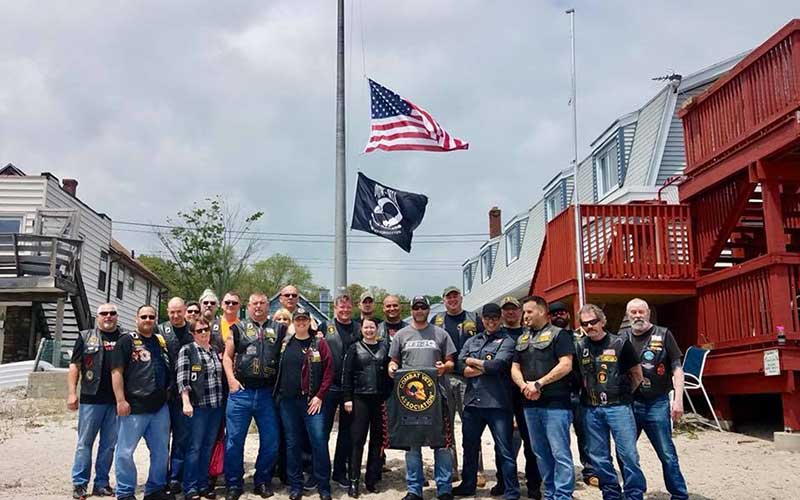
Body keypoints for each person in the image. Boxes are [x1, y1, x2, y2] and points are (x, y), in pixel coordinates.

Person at [618, 298, 688, 500]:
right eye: (633, 312)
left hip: (657, 402)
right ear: (627, 314)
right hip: (629, 403)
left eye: (641, 311)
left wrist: (678, 400)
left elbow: (677, 368)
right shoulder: (621, 337)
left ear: (648, 313)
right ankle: (633, 493)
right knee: (626, 453)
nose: (637, 316)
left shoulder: (663, 334)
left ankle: (679, 495)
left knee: (666, 453)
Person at [388, 295, 456, 500]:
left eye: (423, 307)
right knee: (412, 444)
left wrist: (445, 367)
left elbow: (451, 361)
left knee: (442, 444)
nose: (419, 311)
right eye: (416, 307)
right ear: (411, 310)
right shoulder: (401, 334)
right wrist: (392, 368)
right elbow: (393, 360)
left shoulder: (441, 333)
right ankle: (414, 490)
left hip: (437, 397)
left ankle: (444, 489)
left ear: (428, 310)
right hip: (410, 400)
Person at [576, 304, 646, 500]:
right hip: (591, 409)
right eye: (585, 323)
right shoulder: (579, 347)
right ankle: (611, 493)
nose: (590, 326)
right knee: (599, 457)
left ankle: (633, 494)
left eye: (593, 322)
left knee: (629, 455)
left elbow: (637, 375)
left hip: (619, 408)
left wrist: (623, 396)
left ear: (603, 321)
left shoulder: (620, 343)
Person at [222, 292, 286, 499]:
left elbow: (301, 334)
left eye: (262, 303)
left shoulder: (279, 329)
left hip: (267, 393)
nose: (258, 306)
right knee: (234, 440)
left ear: (269, 306)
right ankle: (234, 484)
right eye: (254, 303)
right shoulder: (238, 328)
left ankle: (262, 480)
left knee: (271, 440)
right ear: (248, 307)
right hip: (241, 392)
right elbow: (227, 357)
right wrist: (231, 381)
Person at [452, 303, 519, 500]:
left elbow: (498, 366)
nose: (491, 321)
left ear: (500, 319)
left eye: (494, 318)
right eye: (487, 318)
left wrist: (473, 362)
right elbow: (459, 364)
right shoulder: (473, 340)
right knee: (469, 446)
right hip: (473, 403)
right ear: (482, 319)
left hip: (498, 403)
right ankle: (468, 484)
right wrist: (483, 366)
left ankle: (510, 489)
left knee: (504, 449)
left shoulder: (507, 341)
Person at [511, 296, 574, 500]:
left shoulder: (559, 335)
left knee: (560, 452)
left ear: (541, 311)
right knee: (540, 452)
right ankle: (550, 493)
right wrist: (524, 387)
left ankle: (563, 495)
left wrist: (539, 384)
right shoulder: (522, 338)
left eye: (529, 312)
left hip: (556, 404)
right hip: (529, 404)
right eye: (524, 312)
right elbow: (515, 367)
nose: (525, 316)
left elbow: (566, 365)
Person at [111, 304, 173, 500]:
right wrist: (121, 400)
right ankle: (125, 492)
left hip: (159, 408)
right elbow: (116, 372)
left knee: (161, 451)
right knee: (124, 452)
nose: (148, 320)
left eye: (151, 317)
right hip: (133, 408)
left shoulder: (159, 341)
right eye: (144, 317)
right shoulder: (126, 341)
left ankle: (155, 490)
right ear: (137, 319)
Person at [275, 307, 335, 500]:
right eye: (298, 319)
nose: (301, 323)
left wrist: (320, 395)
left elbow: (328, 371)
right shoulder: (285, 342)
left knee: (318, 442)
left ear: (309, 322)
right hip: (288, 402)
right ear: (293, 322)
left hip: (312, 402)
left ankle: (324, 486)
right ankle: (295, 485)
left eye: (304, 320)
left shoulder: (319, 342)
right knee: (292, 444)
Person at [68, 303, 123, 500]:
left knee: (109, 445)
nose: (108, 316)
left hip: (116, 402)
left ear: (117, 316)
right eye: (104, 313)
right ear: (97, 316)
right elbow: (75, 365)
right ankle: (80, 484)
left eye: (112, 313)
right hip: (91, 399)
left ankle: (102, 483)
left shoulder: (125, 337)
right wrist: (72, 393)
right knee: (85, 443)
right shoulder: (84, 337)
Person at [431, 286, 484, 484]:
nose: (452, 300)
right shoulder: (436, 321)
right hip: (443, 378)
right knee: (446, 426)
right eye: (448, 297)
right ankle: (451, 469)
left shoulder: (474, 318)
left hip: (468, 378)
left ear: (461, 298)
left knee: (471, 425)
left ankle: (476, 470)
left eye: (455, 296)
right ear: (443, 300)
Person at [494, 295, 542, 499]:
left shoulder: (529, 333)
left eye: (514, 308)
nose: (510, 312)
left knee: (531, 443)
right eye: (506, 309)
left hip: (525, 394)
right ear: (502, 313)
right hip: (502, 395)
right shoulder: (496, 334)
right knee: (503, 443)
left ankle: (533, 484)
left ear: (520, 311)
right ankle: (503, 481)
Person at [548, 300, 597, 487]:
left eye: (562, 312)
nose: (558, 316)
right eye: (554, 313)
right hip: (555, 393)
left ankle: (591, 470)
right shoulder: (547, 337)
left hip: (579, 393)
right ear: (549, 317)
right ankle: (558, 473)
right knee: (558, 438)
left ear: (568, 315)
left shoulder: (581, 337)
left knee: (585, 435)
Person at [176, 318, 225, 500]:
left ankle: (203, 484)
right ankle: (190, 487)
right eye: (199, 330)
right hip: (198, 407)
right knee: (194, 447)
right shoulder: (187, 351)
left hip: (215, 406)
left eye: (206, 329)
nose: (204, 332)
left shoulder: (214, 351)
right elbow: (183, 380)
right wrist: (186, 402)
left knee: (207, 447)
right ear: (192, 333)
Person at [318, 294, 361, 488]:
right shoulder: (324, 327)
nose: (345, 310)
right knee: (322, 432)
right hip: (328, 386)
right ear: (335, 308)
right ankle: (319, 471)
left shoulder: (359, 328)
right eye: (341, 307)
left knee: (347, 432)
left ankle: (340, 472)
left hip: (350, 388)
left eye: (348, 307)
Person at [158, 297, 193, 495]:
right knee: (161, 439)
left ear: (185, 310)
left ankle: (175, 478)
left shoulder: (194, 330)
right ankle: (160, 477)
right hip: (163, 393)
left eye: (179, 311)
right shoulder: (160, 330)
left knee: (181, 439)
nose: (175, 315)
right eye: (172, 312)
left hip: (185, 394)